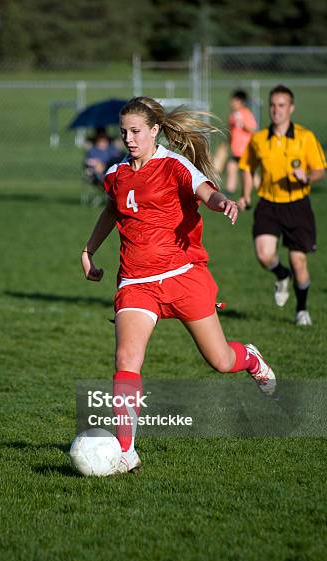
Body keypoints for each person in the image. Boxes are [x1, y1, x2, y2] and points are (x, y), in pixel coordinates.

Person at [81, 96, 276, 474]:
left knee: (221, 360)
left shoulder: (174, 165)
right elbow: (112, 208)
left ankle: (250, 358)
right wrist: (89, 250)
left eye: (136, 131)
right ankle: (126, 451)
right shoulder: (116, 174)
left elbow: (206, 191)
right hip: (136, 281)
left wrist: (222, 203)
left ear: (155, 130)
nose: (129, 139)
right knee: (126, 360)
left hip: (182, 275)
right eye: (124, 132)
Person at [238, 84, 326, 326]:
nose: (276, 110)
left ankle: (301, 309)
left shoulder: (305, 137)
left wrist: (307, 177)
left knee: (299, 261)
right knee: (265, 255)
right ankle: (281, 274)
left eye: (281, 105)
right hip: (268, 204)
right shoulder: (258, 140)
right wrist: (246, 195)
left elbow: (320, 169)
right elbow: (246, 166)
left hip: (298, 205)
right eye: (273, 105)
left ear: (291, 108)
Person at [225, 90, 257, 194]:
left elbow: (253, 129)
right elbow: (232, 131)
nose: (231, 103)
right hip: (236, 150)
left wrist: (244, 125)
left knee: (248, 172)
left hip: (245, 149)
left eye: (234, 101)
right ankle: (230, 190)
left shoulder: (246, 113)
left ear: (241, 102)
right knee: (231, 167)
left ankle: (260, 187)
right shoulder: (233, 115)